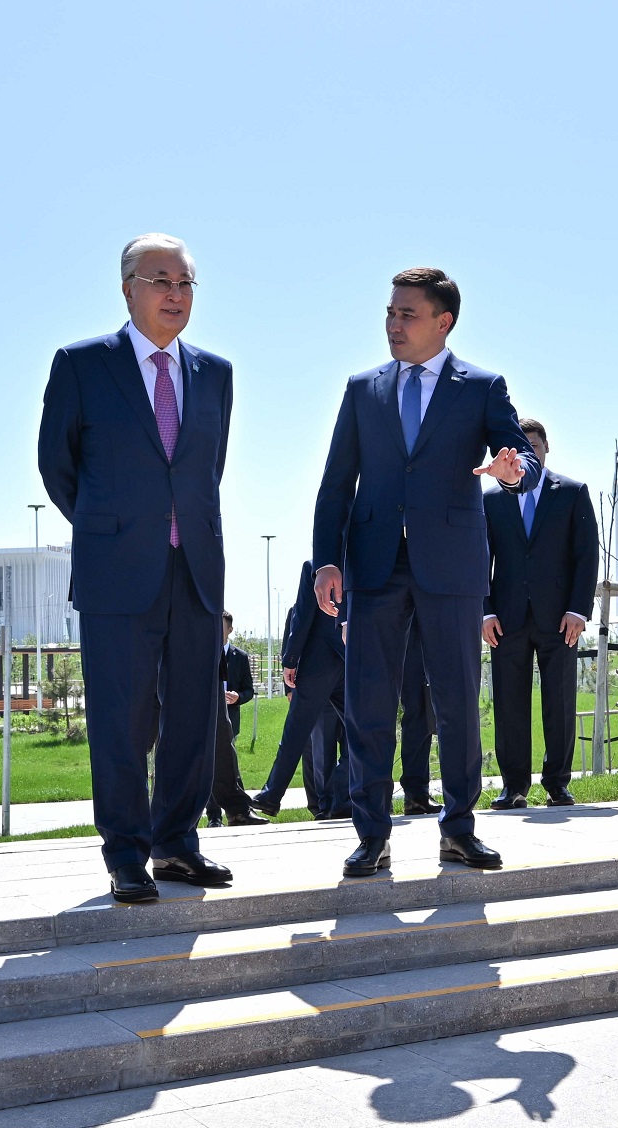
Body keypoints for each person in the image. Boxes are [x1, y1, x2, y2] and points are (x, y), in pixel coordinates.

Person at [311, 267, 540, 876]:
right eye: (390, 312)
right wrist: (327, 559)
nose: (393, 323)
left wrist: (513, 472)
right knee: (369, 703)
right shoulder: (363, 389)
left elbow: (520, 459)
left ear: (443, 322)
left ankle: (459, 829)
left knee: (457, 701)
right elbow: (337, 481)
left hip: (452, 564)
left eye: (407, 314)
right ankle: (371, 834)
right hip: (374, 563)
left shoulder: (482, 387)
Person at [37, 233, 234, 903]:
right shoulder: (82, 365)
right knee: (121, 719)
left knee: (194, 717)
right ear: (128, 289)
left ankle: (177, 844)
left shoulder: (216, 373)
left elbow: (206, 469)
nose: (175, 294)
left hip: (196, 570)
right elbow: (57, 465)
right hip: (116, 572)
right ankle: (126, 852)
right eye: (160, 281)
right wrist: (111, 526)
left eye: (184, 283)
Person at [483, 417, 599, 808]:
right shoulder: (490, 499)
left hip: (560, 618)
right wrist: (485, 612)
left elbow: (586, 556)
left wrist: (578, 610)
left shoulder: (572, 492)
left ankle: (557, 783)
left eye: (532, 446)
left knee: (560, 702)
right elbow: (480, 560)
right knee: (509, 703)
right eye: (518, 448)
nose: (526, 454)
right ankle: (513, 786)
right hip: (506, 619)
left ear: (546, 447)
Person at [251, 561, 346, 816]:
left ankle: (272, 795)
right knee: (361, 732)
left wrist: (290, 660)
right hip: (353, 660)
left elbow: (301, 616)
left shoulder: (314, 567)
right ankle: (343, 796)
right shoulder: (365, 560)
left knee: (295, 731)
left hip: (318, 662)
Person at [206, 612, 267, 827]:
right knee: (208, 762)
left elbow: (248, 690)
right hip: (203, 710)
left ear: (230, 630)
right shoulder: (203, 650)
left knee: (225, 760)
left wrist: (238, 697)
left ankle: (237, 811)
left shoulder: (238, 657)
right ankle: (214, 816)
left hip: (228, 716)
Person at [397, 623, 438, 815]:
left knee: (420, 714)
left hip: (424, 630)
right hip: (404, 631)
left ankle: (416, 795)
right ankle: (414, 793)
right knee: (417, 713)